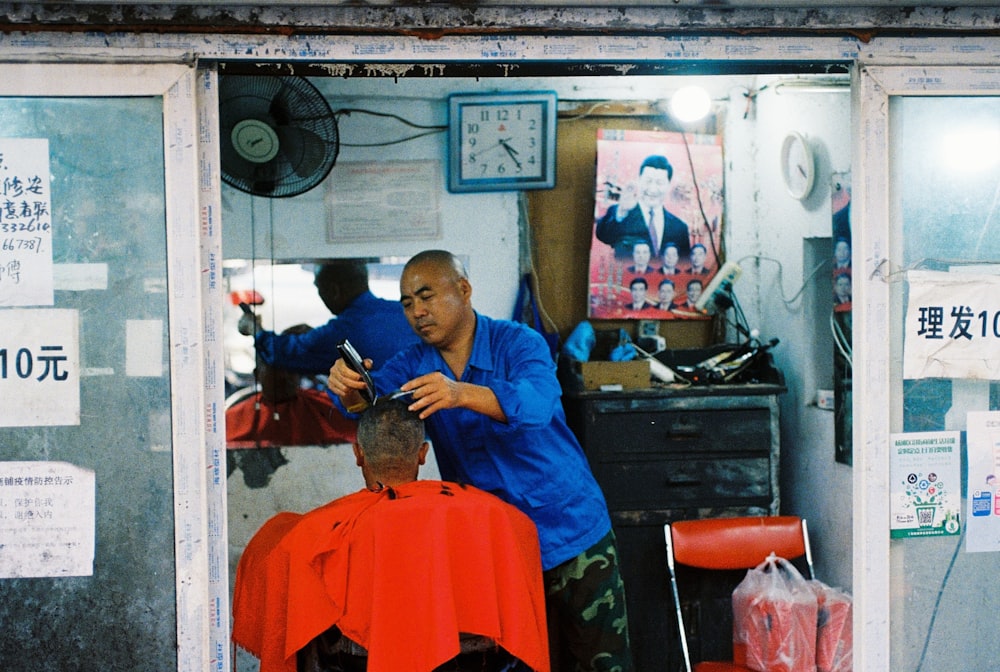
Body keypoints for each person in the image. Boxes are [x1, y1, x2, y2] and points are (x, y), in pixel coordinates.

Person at [327, 250, 634, 672]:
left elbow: (539, 404)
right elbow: (372, 402)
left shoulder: (519, 343)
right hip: (499, 550)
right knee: (517, 664)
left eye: (426, 296)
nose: (417, 312)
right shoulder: (413, 364)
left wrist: (460, 394)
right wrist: (348, 390)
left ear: (464, 290)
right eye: (406, 303)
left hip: (569, 532)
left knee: (601, 664)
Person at [232, 399, 549, 672]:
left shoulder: (314, 533)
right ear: (423, 454)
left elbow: (284, 608)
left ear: (358, 453)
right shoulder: (491, 516)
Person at [238, 259, 419, 376]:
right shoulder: (404, 312)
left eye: (319, 289)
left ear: (334, 290)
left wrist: (254, 329)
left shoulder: (340, 332)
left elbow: (283, 352)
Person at [226, 324, 358, 449]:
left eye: (289, 368)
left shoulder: (331, 407)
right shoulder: (230, 421)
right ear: (257, 374)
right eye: (275, 368)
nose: (284, 376)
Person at [595, 154, 691, 261]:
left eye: (659, 183)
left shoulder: (680, 228)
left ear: (668, 185)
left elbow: (684, 265)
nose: (652, 189)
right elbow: (603, 236)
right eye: (648, 181)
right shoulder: (619, 212)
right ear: (639, 180)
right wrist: (622, 211)